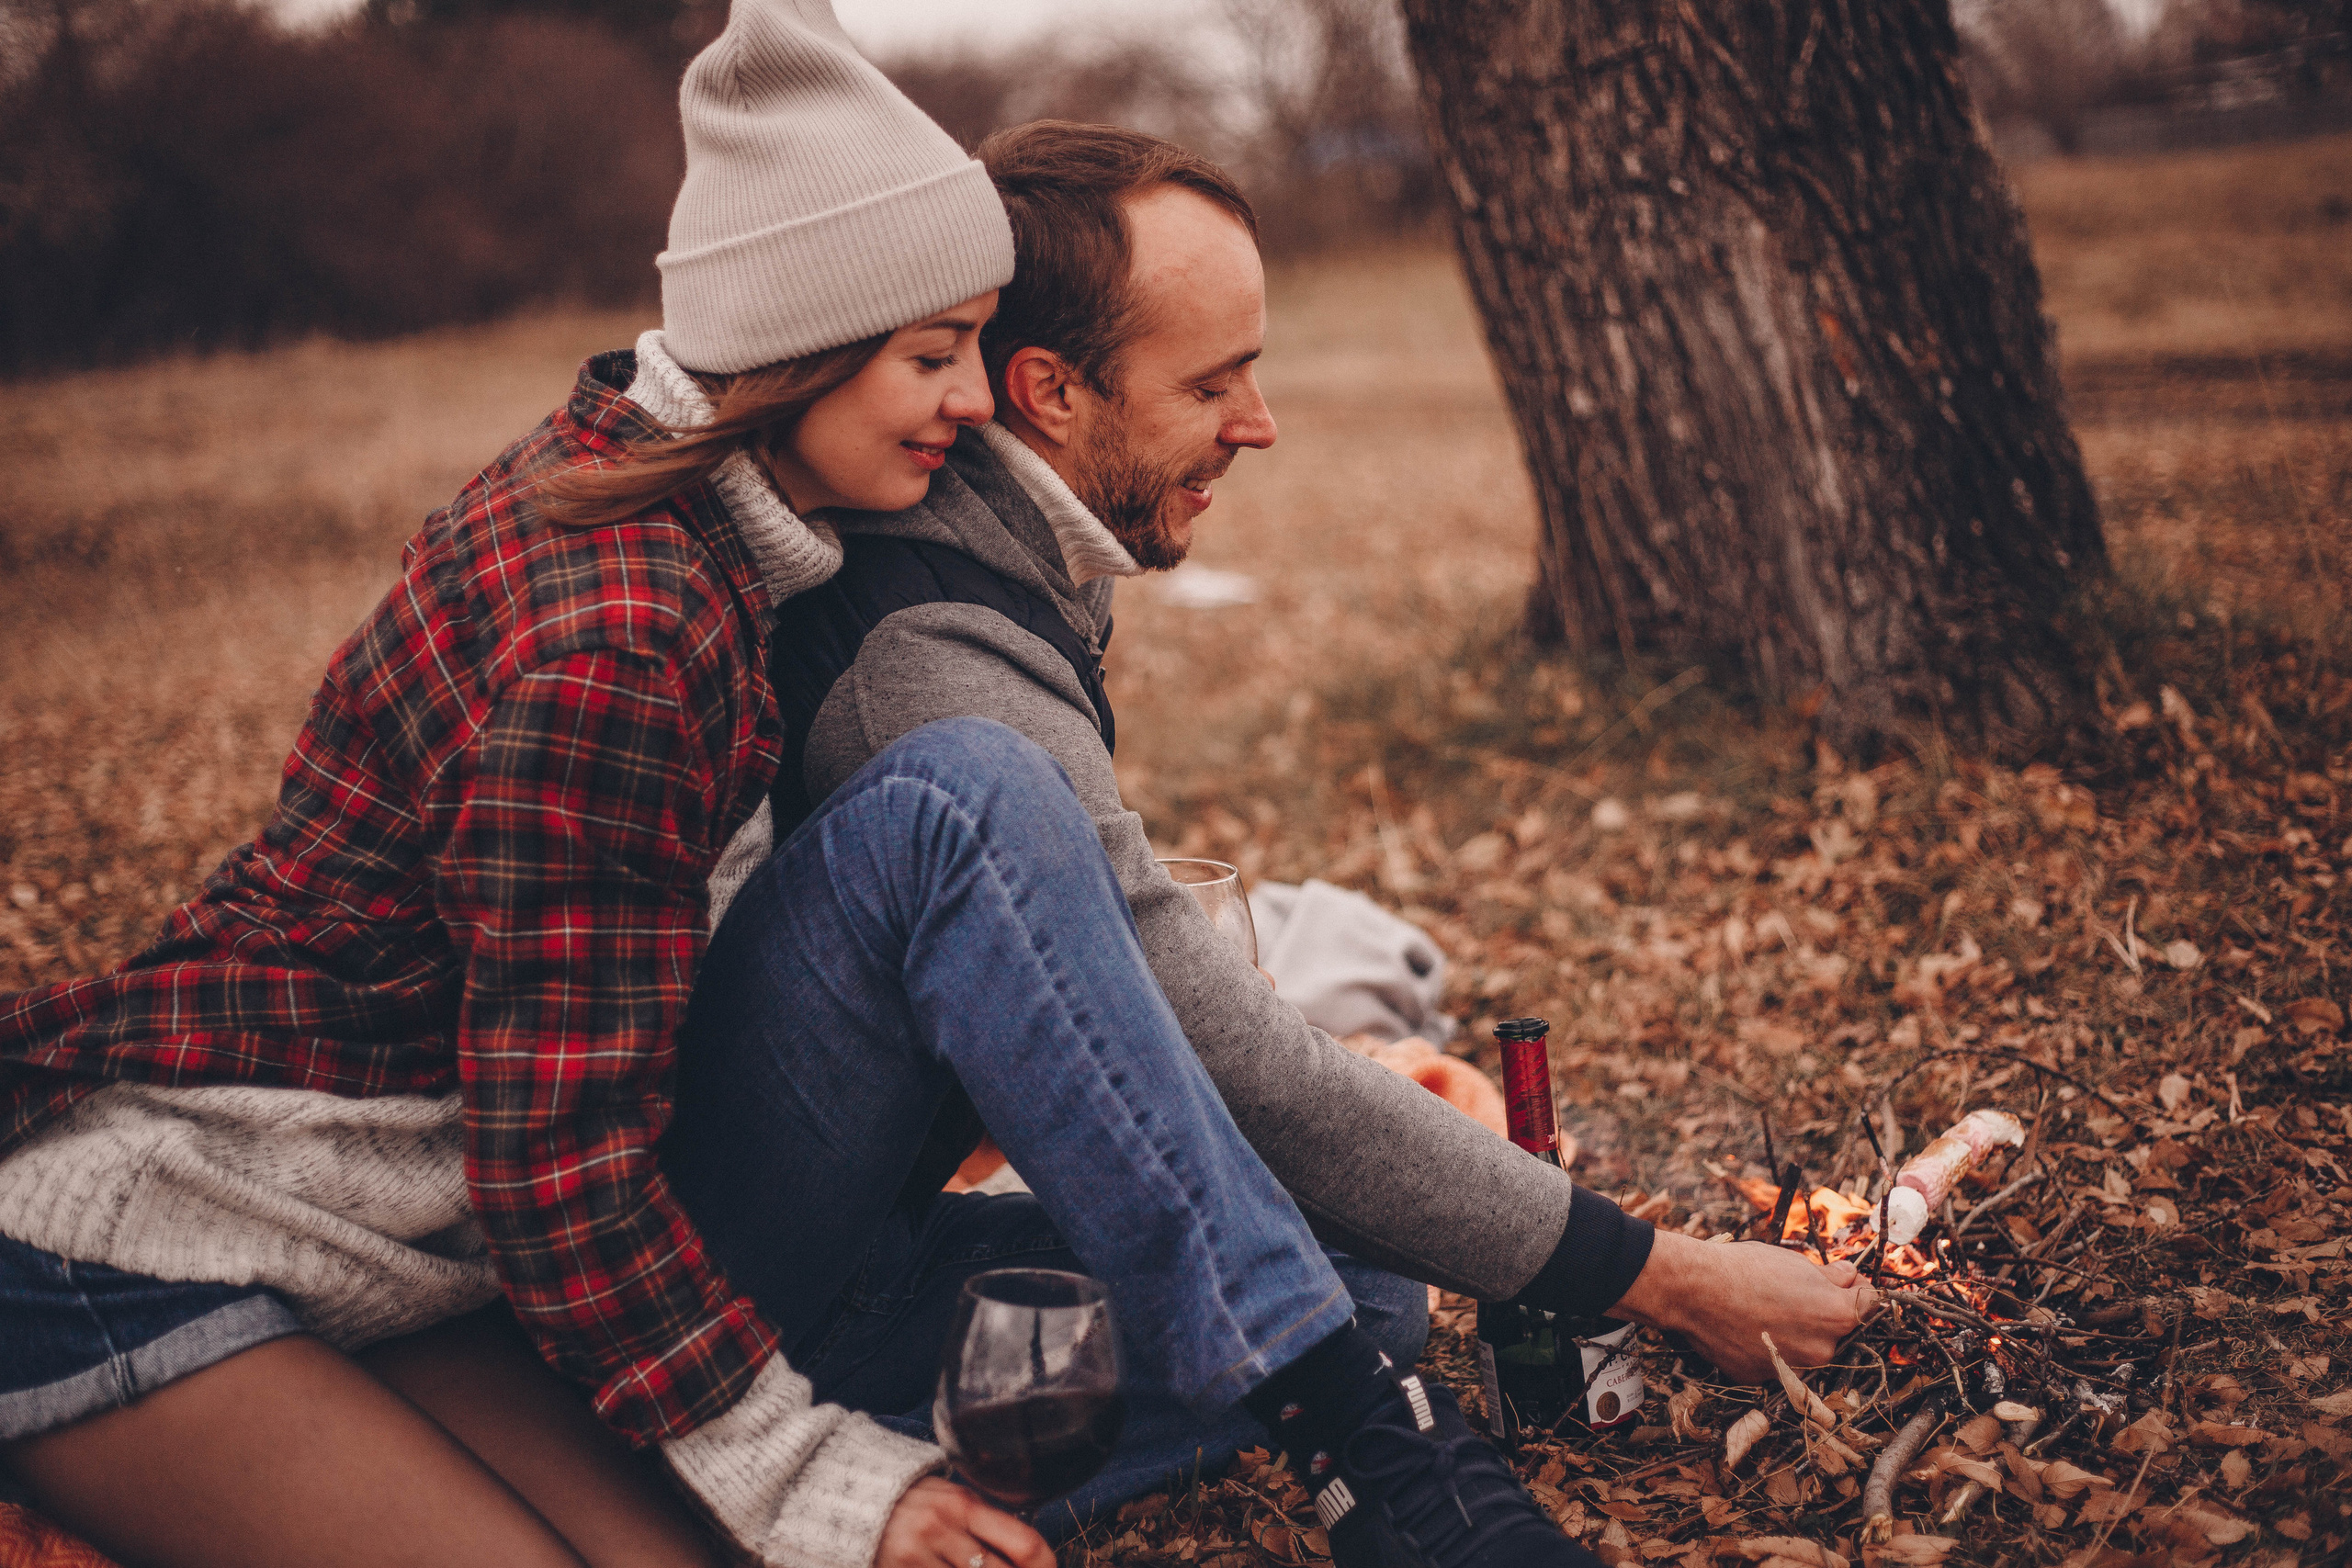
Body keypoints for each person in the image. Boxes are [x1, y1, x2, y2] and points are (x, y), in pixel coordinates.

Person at [0, 6, 1438, 1568]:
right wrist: (828, 1478)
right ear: (794, 348)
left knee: (1343, 1301)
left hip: (415, 1260)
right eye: (930, 357)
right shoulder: (624, 631)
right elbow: (557, 1167)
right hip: (164, 1247)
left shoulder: (669, 502)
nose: (973, 410)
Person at [738, 117, 1882, 1556]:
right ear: (1051, 391)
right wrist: (1660, 1275)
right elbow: (1241, 1068)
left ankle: (949, 1437)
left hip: (884, 1243)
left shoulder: (1002, 572)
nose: (1259, 422)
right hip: (748, 1305)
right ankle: (822, 1474)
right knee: (1313, 1284)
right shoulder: (929, 665)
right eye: (1212, 381)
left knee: (1368, 1285)